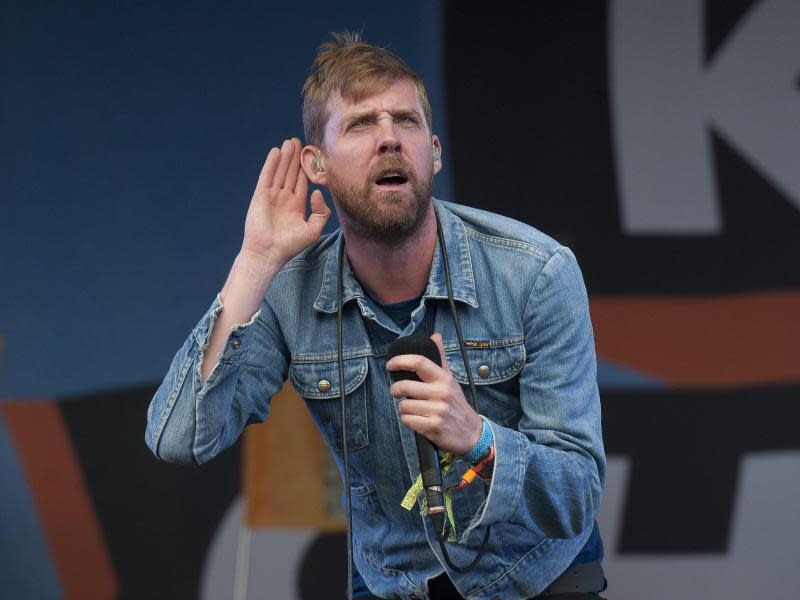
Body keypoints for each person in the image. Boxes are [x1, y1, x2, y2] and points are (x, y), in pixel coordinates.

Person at [146, 31, 607, 600]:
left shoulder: (538, 273)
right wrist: (255, 260)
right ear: (315, 163)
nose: (389, 139)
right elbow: (180, 439)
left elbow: (578, 493)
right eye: (362, 124)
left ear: (433, 152)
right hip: (397, 585)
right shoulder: (290, 290)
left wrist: (479, 438)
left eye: (406, 121)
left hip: (537, 578)